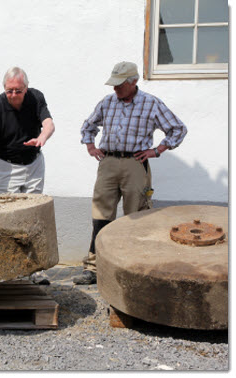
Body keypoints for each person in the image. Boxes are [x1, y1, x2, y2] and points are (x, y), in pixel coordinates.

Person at [74, 61, 187, 285]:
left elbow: (178, 129)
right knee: (101, 213)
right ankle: (94, 268)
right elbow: (88, 126)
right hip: (108, 162)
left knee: (136, 215)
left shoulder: (151, 104)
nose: (115, 89)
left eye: (119, 84)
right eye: (113, 84)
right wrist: (90, 146)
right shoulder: (107, 102)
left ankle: (132, 267)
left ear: (133, 82)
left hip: (135, 163)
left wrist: (157, 150)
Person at [0, 66, 55, 197]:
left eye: (18, 91)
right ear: (4, 88)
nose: (14, 95)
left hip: (34, 164)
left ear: (26, 88)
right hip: (7, 167)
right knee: (11, 209)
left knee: (34, 208)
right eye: (9, 91)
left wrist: (43, 137)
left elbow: (49, 124)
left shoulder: (36, 98)